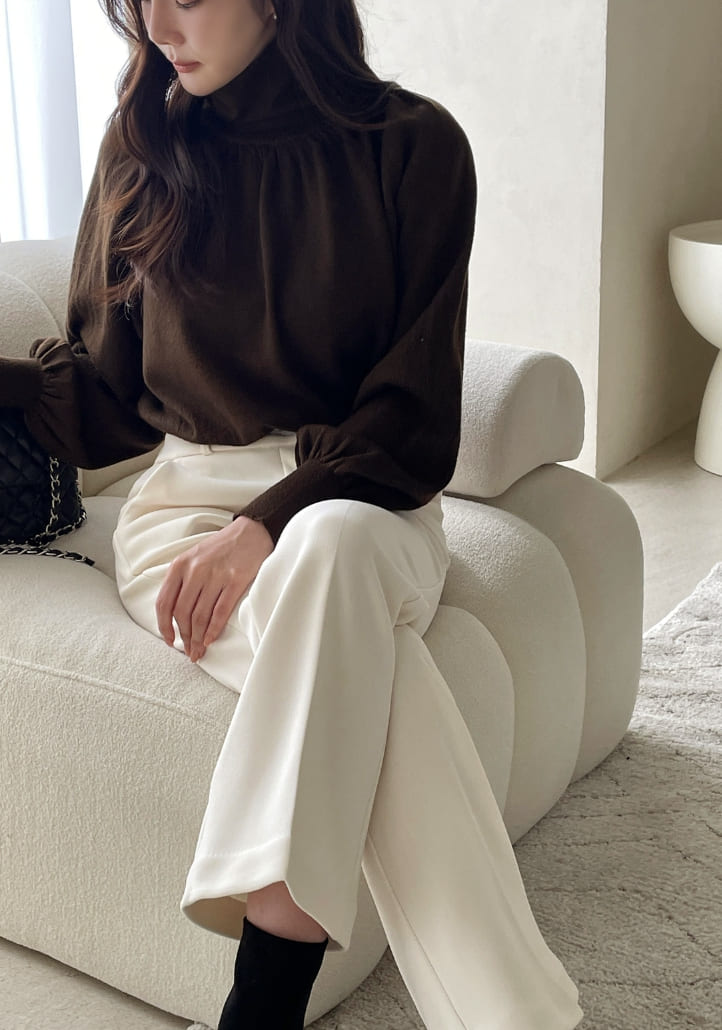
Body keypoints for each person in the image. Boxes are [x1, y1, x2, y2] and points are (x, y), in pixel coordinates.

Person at [0, 1, 584, 1027]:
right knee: (369, 667)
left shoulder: (413, 148)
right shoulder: (144, 145)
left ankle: (262, 1000)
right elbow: (105, 398)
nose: (158, 23)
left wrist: (268, 521)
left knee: (332, 545)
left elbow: (411, 414)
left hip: (368, 498)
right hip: (183, 514)